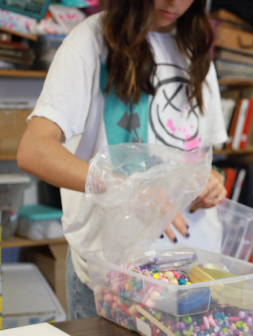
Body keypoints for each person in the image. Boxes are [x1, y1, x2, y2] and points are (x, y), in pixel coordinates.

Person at [17, 0, 228, 319]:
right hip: (113, 277)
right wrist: (128, 190)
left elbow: (197, 156)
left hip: (191, 272)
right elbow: (34, 150)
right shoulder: (90, 40)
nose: (173, 2)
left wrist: (208, 181)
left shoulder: (195, 47)